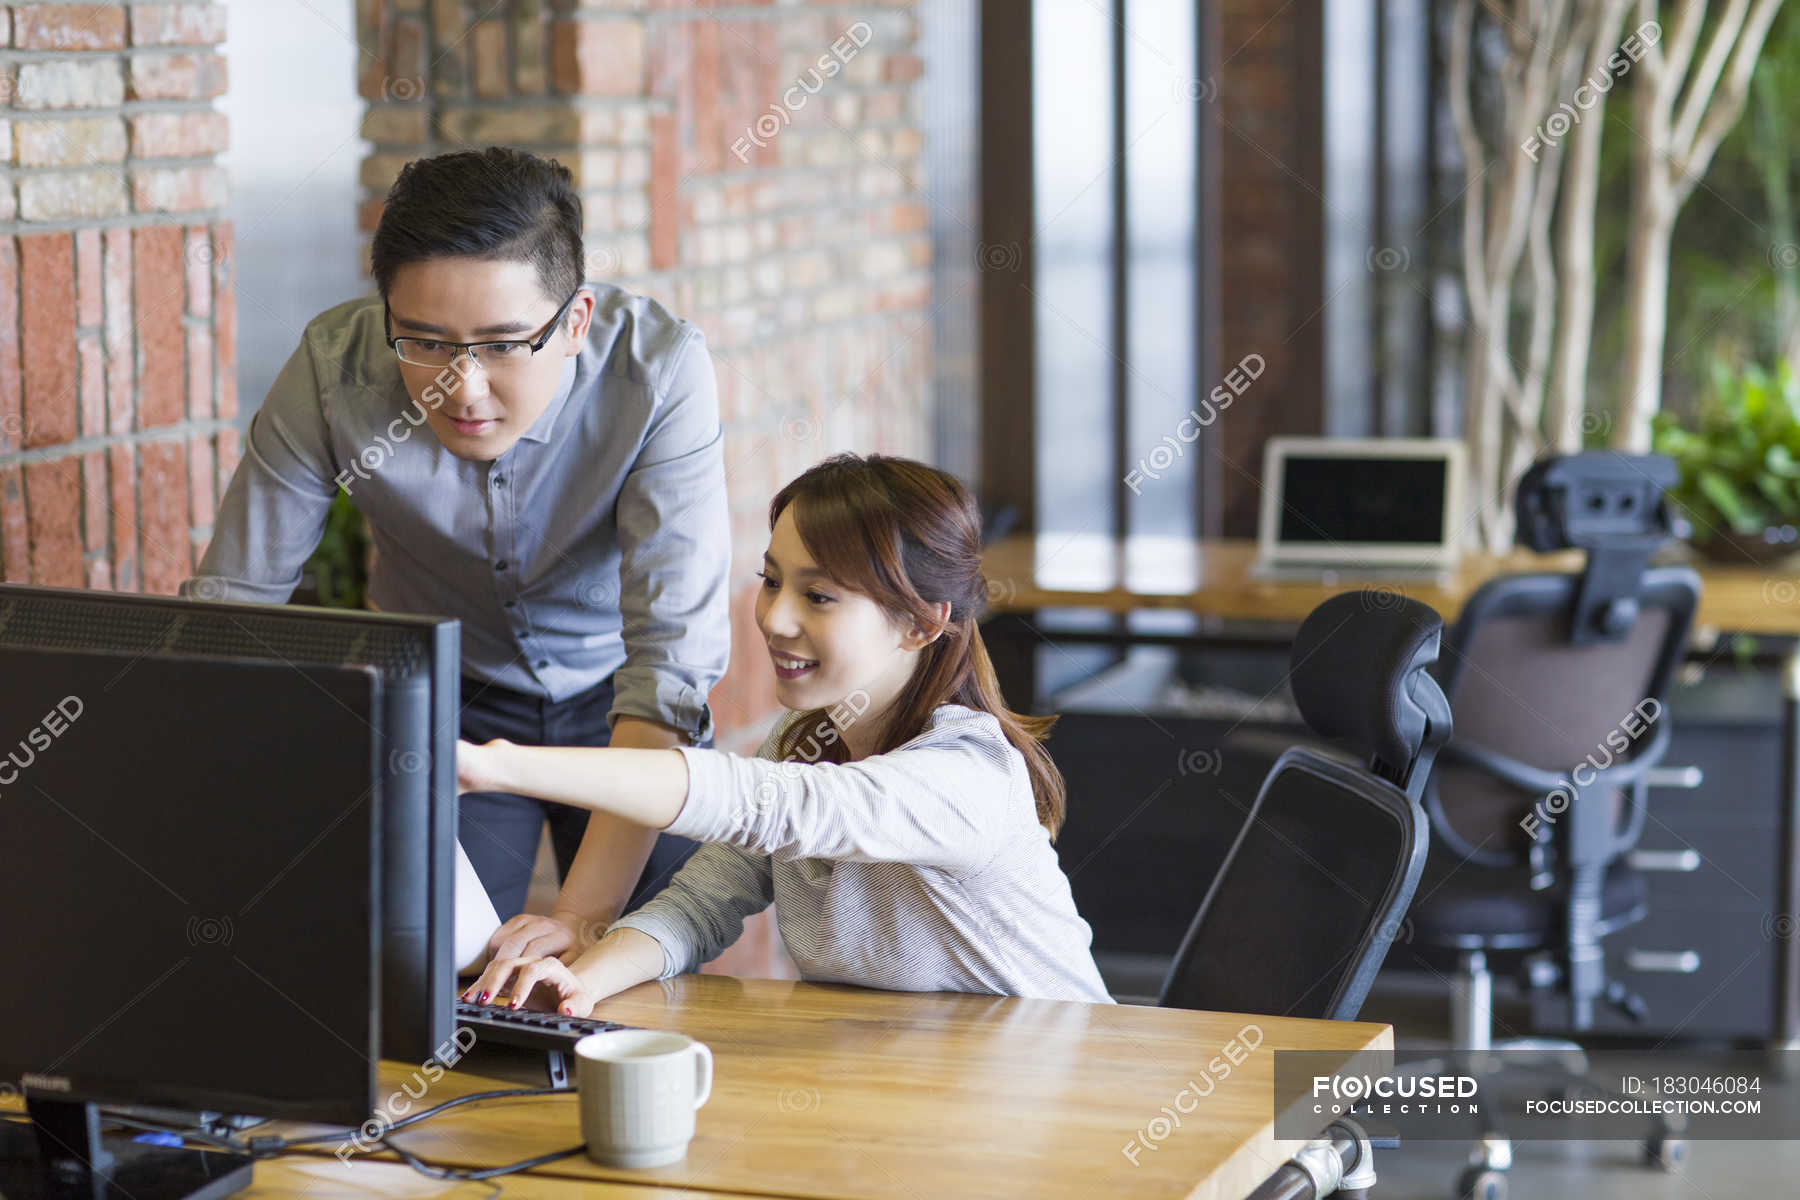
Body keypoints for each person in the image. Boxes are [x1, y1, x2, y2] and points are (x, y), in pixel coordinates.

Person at [182, 147, 730, 965]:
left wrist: (580, 917)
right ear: (386, 315)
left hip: (629, 708)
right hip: (449, 705)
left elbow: (670, 671)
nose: (462, 389)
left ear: (574, 321)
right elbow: (231, 614)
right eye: (426, 343)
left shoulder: (657, 374)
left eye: (505, 345)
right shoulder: (335, 370)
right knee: (438, 975)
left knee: (648, 970)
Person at [457, 454, 1113, 1010]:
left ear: (921, 623)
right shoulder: (803, 742)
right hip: (924, 1098)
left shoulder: (966, 776)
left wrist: (501, 766)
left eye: (819, 597)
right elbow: (698, 905)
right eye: (771, 582)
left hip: (1073, 1104)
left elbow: (768, 803)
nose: (775, 618)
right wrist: (578, 985)